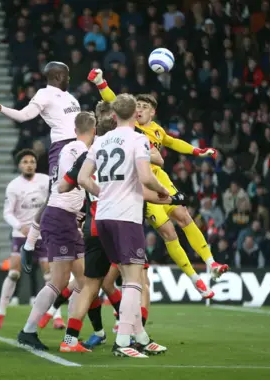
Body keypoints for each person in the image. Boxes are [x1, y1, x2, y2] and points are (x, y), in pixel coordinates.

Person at [89, 69, 228, 299]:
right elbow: (113, 100)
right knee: (168, 232)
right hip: (141, 184)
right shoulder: (129, 126)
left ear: (152, 112)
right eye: (138, 106)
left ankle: (211, 263)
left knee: (184, 217)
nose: (140, 109)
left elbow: (173, 142)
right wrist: (101, 82)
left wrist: (197, 151)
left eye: (144, 106)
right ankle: (195, 279)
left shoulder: (157, 130)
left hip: (160, 177)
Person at [57, 109, 187, 353]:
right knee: (134, 282)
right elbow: (146, 187)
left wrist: (91, 197)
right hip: (124, 223)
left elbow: (64, 185)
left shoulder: (88, 155)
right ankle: (128, 339)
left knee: (92, 285)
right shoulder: (129, 149)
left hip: (96, 226)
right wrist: (171, 198)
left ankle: (71, 339)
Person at [77, 94, 168, 358]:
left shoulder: (101, 141)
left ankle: (140, 337)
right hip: (126, 217)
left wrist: (102, 192)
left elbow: (83, 177)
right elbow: (145, 177)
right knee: (133, 281)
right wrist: (162, 191)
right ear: (135, 115)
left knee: (130, 279)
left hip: (102, 217)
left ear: (114, 115)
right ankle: (123, 342)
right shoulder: (139, 139)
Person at [0, 61, 80, 262]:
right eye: (66, 75)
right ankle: (30, 243)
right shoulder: (44, 94)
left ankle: (75, 234)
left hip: (79, 147)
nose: (69, 79)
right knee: (56, 195)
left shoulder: (71, 98)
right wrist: (0, 108)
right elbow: (23, 116)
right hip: (62, 149)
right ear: (57, 77)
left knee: (81, 193)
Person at [15, 112, 94, 351]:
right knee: (59, 280)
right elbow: (79, 182)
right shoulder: (80, 150)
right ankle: (28, 331)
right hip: (60, 218)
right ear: (94, 129)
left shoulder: (66, 151)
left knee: (83, 279)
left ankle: (70, 338)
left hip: (64, 217)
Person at [0, 149, 50, 329]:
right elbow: (7, 213)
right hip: (22, 235)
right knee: (14, 273)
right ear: (19, 165)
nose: (29, 164)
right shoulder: (13, 186)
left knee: (50, 276)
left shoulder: (45, 180)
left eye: (32, 161)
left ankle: (54, 316)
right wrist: (20, 226)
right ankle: (1, 313)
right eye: (25, 162)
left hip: (43, 234)